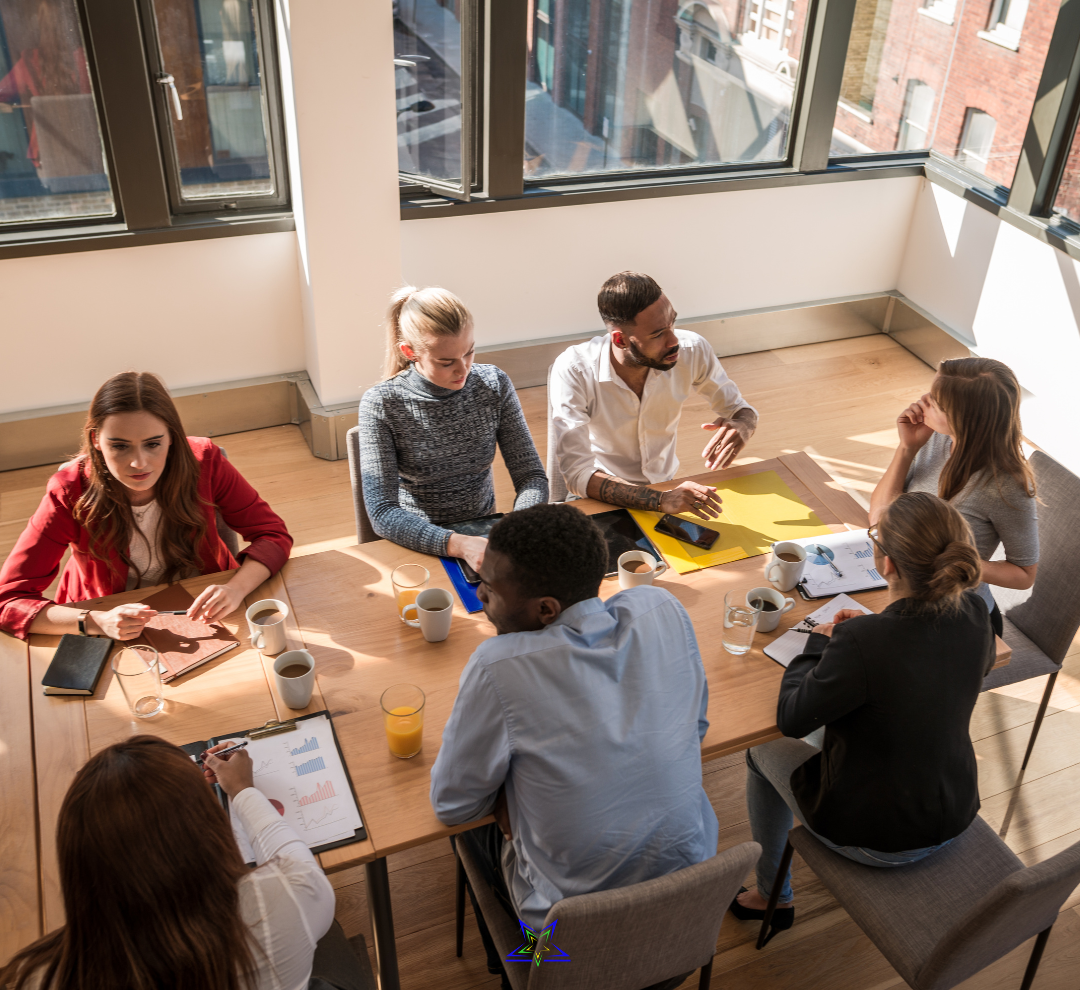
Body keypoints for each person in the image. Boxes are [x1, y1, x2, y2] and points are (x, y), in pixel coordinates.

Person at [430, 503, 717, 985]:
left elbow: (452, 804)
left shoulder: (497, 666)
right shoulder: (661, 608)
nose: (478, 594)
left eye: (490, 588)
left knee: (470, 832)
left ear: (546, 608)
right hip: (684, 929)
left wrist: (511, 801)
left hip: (568, 958)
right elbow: (698, 727)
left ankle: (512, 966)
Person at [731, 493, 995, 943]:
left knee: (759, 751)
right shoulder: (976, 611)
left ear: (885, 564)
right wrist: (871, 628)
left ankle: (771, 896)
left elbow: (791, 718)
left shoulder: (862, 643)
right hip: (955, 809)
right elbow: (931, 661)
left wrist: (822, 642)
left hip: (877, 838)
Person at [0, 735, 373, 990]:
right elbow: (293, 859)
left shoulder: (33, 975)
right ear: (201, 833)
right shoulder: (285, 899)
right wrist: (243, 790)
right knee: (328, 931)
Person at [0, 372, 292, 641]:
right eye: (120, 446)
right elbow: (8, 600)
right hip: (109, 616)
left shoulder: (206, 463)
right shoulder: (69, 490)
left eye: (153, 444)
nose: (139, 463)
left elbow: (273, 535)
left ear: (172, 439)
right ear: (96, 440)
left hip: (206, 604)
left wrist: (236, 588)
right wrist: (96, 621)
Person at [358, 286, 548, 574]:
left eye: (469, 352)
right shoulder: (382, 403)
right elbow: (383, 512)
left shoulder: (493, 384)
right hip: (419, 542)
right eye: (446, 362)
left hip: (486, 536)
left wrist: (512, 530)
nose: (463, 370)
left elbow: (532, 476)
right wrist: (459, 545)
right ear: (410, 352)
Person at [549, 271, 758, 520]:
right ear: (620, 339)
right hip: (598, 497)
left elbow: (738, 409)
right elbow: (577, 474)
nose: (673, 341)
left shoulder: (693, 349)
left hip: (665, 487)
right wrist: (661, 500)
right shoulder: (575, 369)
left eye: (672, 324)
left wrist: (745, 424)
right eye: (658, 334)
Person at [869, 356, 1038, 637]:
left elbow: (1024, 576)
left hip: (958, 618)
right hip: (903, 590)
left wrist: (951, 561)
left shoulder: (1007, 487)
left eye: (935, 401)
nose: (923, 401)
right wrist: (906, 448)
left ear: (963, 419)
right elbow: (879, 517)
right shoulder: (936, 439)